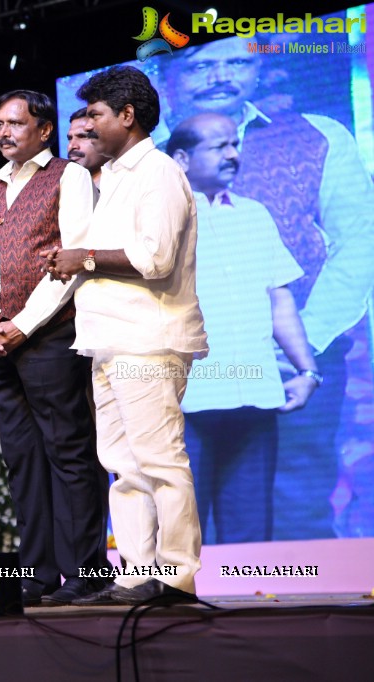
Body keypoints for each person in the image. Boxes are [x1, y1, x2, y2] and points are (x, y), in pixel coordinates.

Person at [160, 38, 374, 538]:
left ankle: (277, 611)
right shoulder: (145, 166)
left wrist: (305, 348)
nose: (220, 76)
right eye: (201, 65)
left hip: (294, 367)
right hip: (182, 375)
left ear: (259, 71)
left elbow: (358, 245)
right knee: (179, 522)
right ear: (170, 78)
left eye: (237, 62)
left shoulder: (317, 137)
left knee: (294, 516)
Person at [44, 66, 208, 605]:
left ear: (127, 116)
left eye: (95, 114)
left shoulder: (156, 171)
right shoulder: (113, 177)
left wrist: (83, 258)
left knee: (159, 461)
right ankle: (138, 571)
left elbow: (155, 258)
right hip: (108, 341)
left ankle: (177, 573)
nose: (87, 125)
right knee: (123, 466)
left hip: (148, 339)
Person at [0, 90, 111, 608]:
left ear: (44, 130)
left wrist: (21, 325)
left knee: (68, 452)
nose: (4, 132)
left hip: (49, 336)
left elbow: (68, 263)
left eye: (15, 123)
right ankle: (38, 574)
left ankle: (86, 572)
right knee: (22, 459)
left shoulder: (67, 176)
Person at [168, 113, 320, 543]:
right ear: (181, 157)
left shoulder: (255, 215)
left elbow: (279, 300)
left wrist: (307, 371)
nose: (234, 154)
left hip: (254, 400)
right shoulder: (159, 221)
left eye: (235, 144)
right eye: (219, 146)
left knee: (250, 544)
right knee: (179, 543)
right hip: (183, 405)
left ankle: (250, 610)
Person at [66, 107, 107, 202]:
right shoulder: (63, 185)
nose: (72, 146)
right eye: (70, 138)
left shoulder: (123, 183)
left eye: (82, 136)